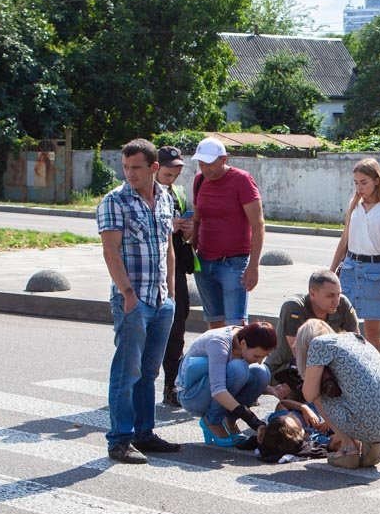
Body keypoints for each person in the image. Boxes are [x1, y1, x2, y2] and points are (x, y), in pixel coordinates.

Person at [96, 138, 181, 464]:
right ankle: (119, 440)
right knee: (126, 373)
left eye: (136, 168)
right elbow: (110, 251)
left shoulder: (164, 199)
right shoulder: (114, 201)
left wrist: (171, 291)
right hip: (133, 300)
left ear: (153, 168)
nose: (129, 174)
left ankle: (144, 433)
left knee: (149, 372)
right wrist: (128, 294)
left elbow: (167, 247)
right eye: (126, 167)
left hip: (161, 299)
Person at [294, 319, 380, 468]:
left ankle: (348, 449)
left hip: (367, 417)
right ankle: (373, 446)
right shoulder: (356, 340)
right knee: (359, 394)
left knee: (318, 394)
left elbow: (309, 394)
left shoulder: (318, 344)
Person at [329, 158, 380, 352]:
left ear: (376, 180)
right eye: (356, 182)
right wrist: (331, 271)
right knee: (341, 326)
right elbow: (344, 239)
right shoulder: (354, 204)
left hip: (376, 271)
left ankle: (373, 376)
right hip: (350, 268)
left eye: (364, 182)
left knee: (372, 331)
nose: (359, 187)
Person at [189, 137, 264, 329]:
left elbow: (258, 225)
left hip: (233, 264)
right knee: (214, 323)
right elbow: (197, 219)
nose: (205, 169)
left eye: (210, 164)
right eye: (201, 164)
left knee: (235, 326)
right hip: (204, 263)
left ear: (224, 159)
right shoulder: (199, 181)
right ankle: (218, 359)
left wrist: (253, 266)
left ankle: (236, 360)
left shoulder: (242, 180)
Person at [176, 321, 278, 447]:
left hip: (210, 388)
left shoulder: (245, 336)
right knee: (238, 368)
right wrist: (252, 420)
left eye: (265, 356)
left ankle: (230, 420)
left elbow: (235, 380)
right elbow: (218, 390)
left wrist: (270, 390)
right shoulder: (219, 342)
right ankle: (212, 422)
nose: (260, 360)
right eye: (256, 356)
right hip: (191, 395)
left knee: (262, 373)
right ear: (243, 344)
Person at [266, 269, 360, 385]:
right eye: (330, 296)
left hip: (323, 365)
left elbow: (357, 343)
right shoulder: (294, 307)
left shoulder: (342, 304)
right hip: (286, 369)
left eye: (338, 294)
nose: (336, 302)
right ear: (312, 294)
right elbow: (300, 354)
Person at [156, 145, 195, 407]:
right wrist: (169, 228)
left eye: (177, 173)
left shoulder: (178, 194)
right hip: (153, 269)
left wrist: (187, 229)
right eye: (169, 173)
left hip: (177, 268)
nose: (173, 179)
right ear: (155, 168)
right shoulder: (146, 194)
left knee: (177, 326)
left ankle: (171, 385)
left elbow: (186, 238)